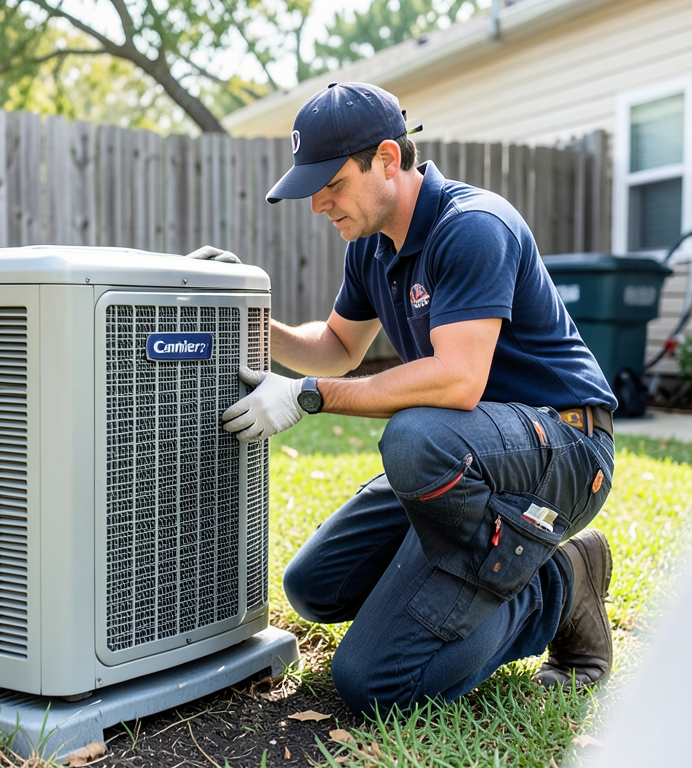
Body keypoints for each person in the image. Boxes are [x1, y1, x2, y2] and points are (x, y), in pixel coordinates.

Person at [216, 82, 617, 715]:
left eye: (331, 184)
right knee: (315, 586)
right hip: (474, 457)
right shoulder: (372, 248)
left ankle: (557, 584)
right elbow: (335, 347)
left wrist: (309, 397)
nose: (318, 203)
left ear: (386, 159)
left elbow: (457, 381)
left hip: (563, 447)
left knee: (375, 683)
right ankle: (482, 573)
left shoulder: (473, 226)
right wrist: (243, 316)